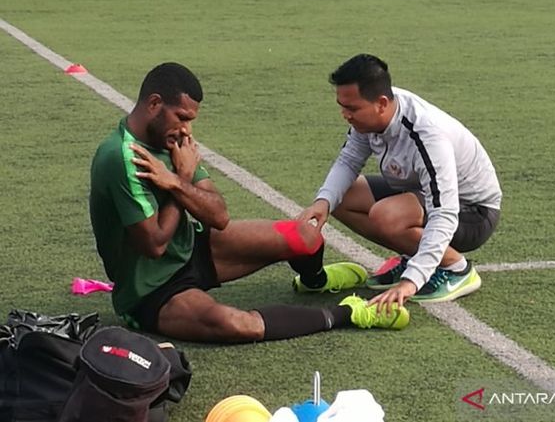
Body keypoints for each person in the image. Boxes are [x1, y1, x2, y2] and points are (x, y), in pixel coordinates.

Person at [88, 62, 409, 343]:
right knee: (239, 325)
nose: (187, 129)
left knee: (306, 236)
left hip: (192, 249)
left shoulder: (173, 139)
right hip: (150, 289)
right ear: (154, 104)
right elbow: (155, 244)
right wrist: (181, 182)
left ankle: (315, 282)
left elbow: (219, 215)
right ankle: (348, 313)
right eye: (182, 117)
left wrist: (177, 182)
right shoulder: (122, 157)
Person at [298, 54, 502, 311]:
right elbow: (349, 160)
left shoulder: (427, 134)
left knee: (386, 216)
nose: (344, 115)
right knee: (341, 197)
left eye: (351, 108)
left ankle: (456, 268)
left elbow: (445, 211)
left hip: (472, 212)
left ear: (381, 103)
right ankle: (415, 256)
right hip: (421, 194)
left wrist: (411, 281)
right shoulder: (373, 116)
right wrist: (323, 202)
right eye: (342, 106)